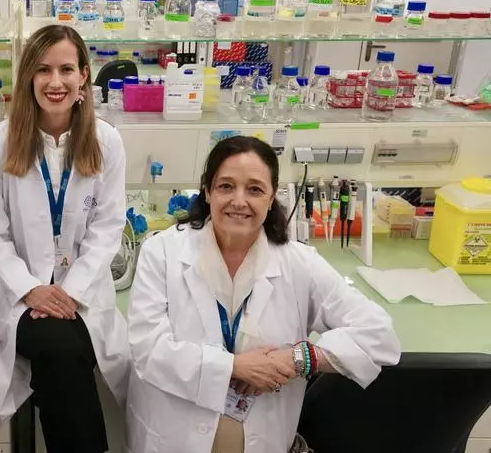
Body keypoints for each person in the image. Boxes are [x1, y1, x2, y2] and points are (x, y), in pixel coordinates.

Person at [125, 136, 401, 453]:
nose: (239, 200)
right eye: (226, 186)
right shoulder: (162, 251)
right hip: (170, 440)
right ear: (207, 191)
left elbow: (380, 336)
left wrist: (299, 359)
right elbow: (148, 348)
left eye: (254, 189)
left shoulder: (299, 262)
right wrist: (234, 368)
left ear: (271, 198)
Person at [0, 24, 130, 453]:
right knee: (60, 348)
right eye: (43, 70)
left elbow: (107, 229)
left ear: (83, 77)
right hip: (19, 296)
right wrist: (32, 290)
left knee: (64, 350)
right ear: (28, 78)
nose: (54, 82)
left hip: (84, 296)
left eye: (65, 69)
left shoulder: (106, 142)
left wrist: (70, 293)